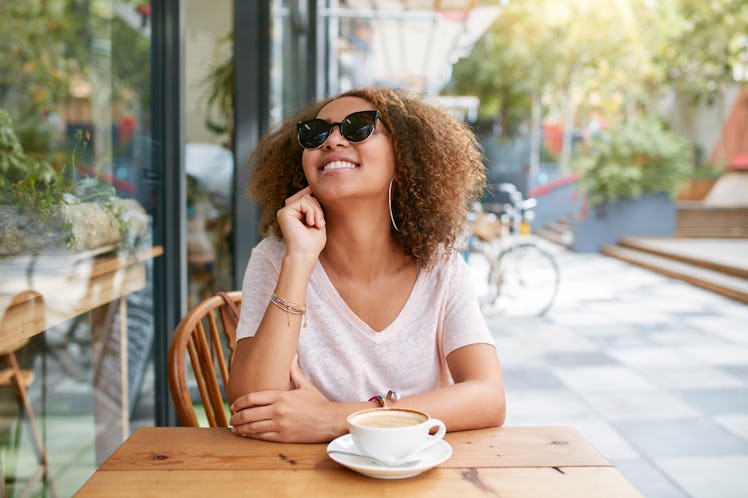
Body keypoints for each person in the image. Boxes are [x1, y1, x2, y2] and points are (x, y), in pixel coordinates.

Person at [227, 87, 505, 443]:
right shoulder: (276, 257)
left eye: (358, 127)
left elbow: (488, 397)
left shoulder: (441, 266)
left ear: (404, 160)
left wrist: (340, 418)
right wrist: (299, 260)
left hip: (416, 475)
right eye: (316, 133)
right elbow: (251, 405)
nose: (331, 141)